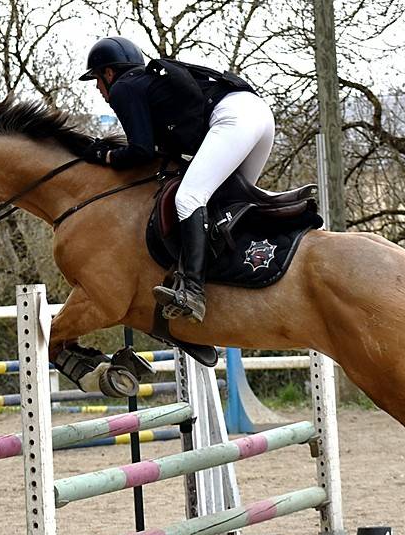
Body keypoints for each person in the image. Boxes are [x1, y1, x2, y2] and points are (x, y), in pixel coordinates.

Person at [77, 36, 274, 323]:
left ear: (109, 73)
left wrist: (105, 156)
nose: (98, 88)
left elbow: (141, 151)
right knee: (228, 203)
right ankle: (240, 276)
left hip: (233, 117)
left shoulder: (123, 87)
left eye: (97, 79)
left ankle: (193, 291)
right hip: (258, 113)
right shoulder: (149, 87)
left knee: (189, 198)